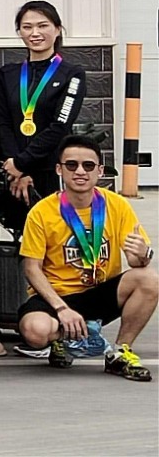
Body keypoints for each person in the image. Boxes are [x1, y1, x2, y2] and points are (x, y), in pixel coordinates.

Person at [17, 136, 156, 381]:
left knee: (149, 279)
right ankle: (62, 339)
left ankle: (121, 351)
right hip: (57, 295)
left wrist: (142, 255)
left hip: (99, 291)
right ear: (59, 169)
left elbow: (136, 262)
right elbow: (31, 268)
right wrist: (61, 308)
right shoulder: (42, 212)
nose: (80, 171)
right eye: (71, 165)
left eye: (88, 165)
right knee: (35, 330)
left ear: (100, 171)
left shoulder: (116, 205)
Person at [0, 0, 89, 232]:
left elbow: (60, 125)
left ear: (57, 29)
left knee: (56, 233)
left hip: (51, 170)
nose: (35, 33)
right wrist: (18, 169)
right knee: (22, 235)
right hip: (16, 174)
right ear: (19, 32)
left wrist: (22, 163)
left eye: (42, 25)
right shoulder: (8, 74)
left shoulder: (72, 74)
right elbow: (3, 123)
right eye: (27, 27)